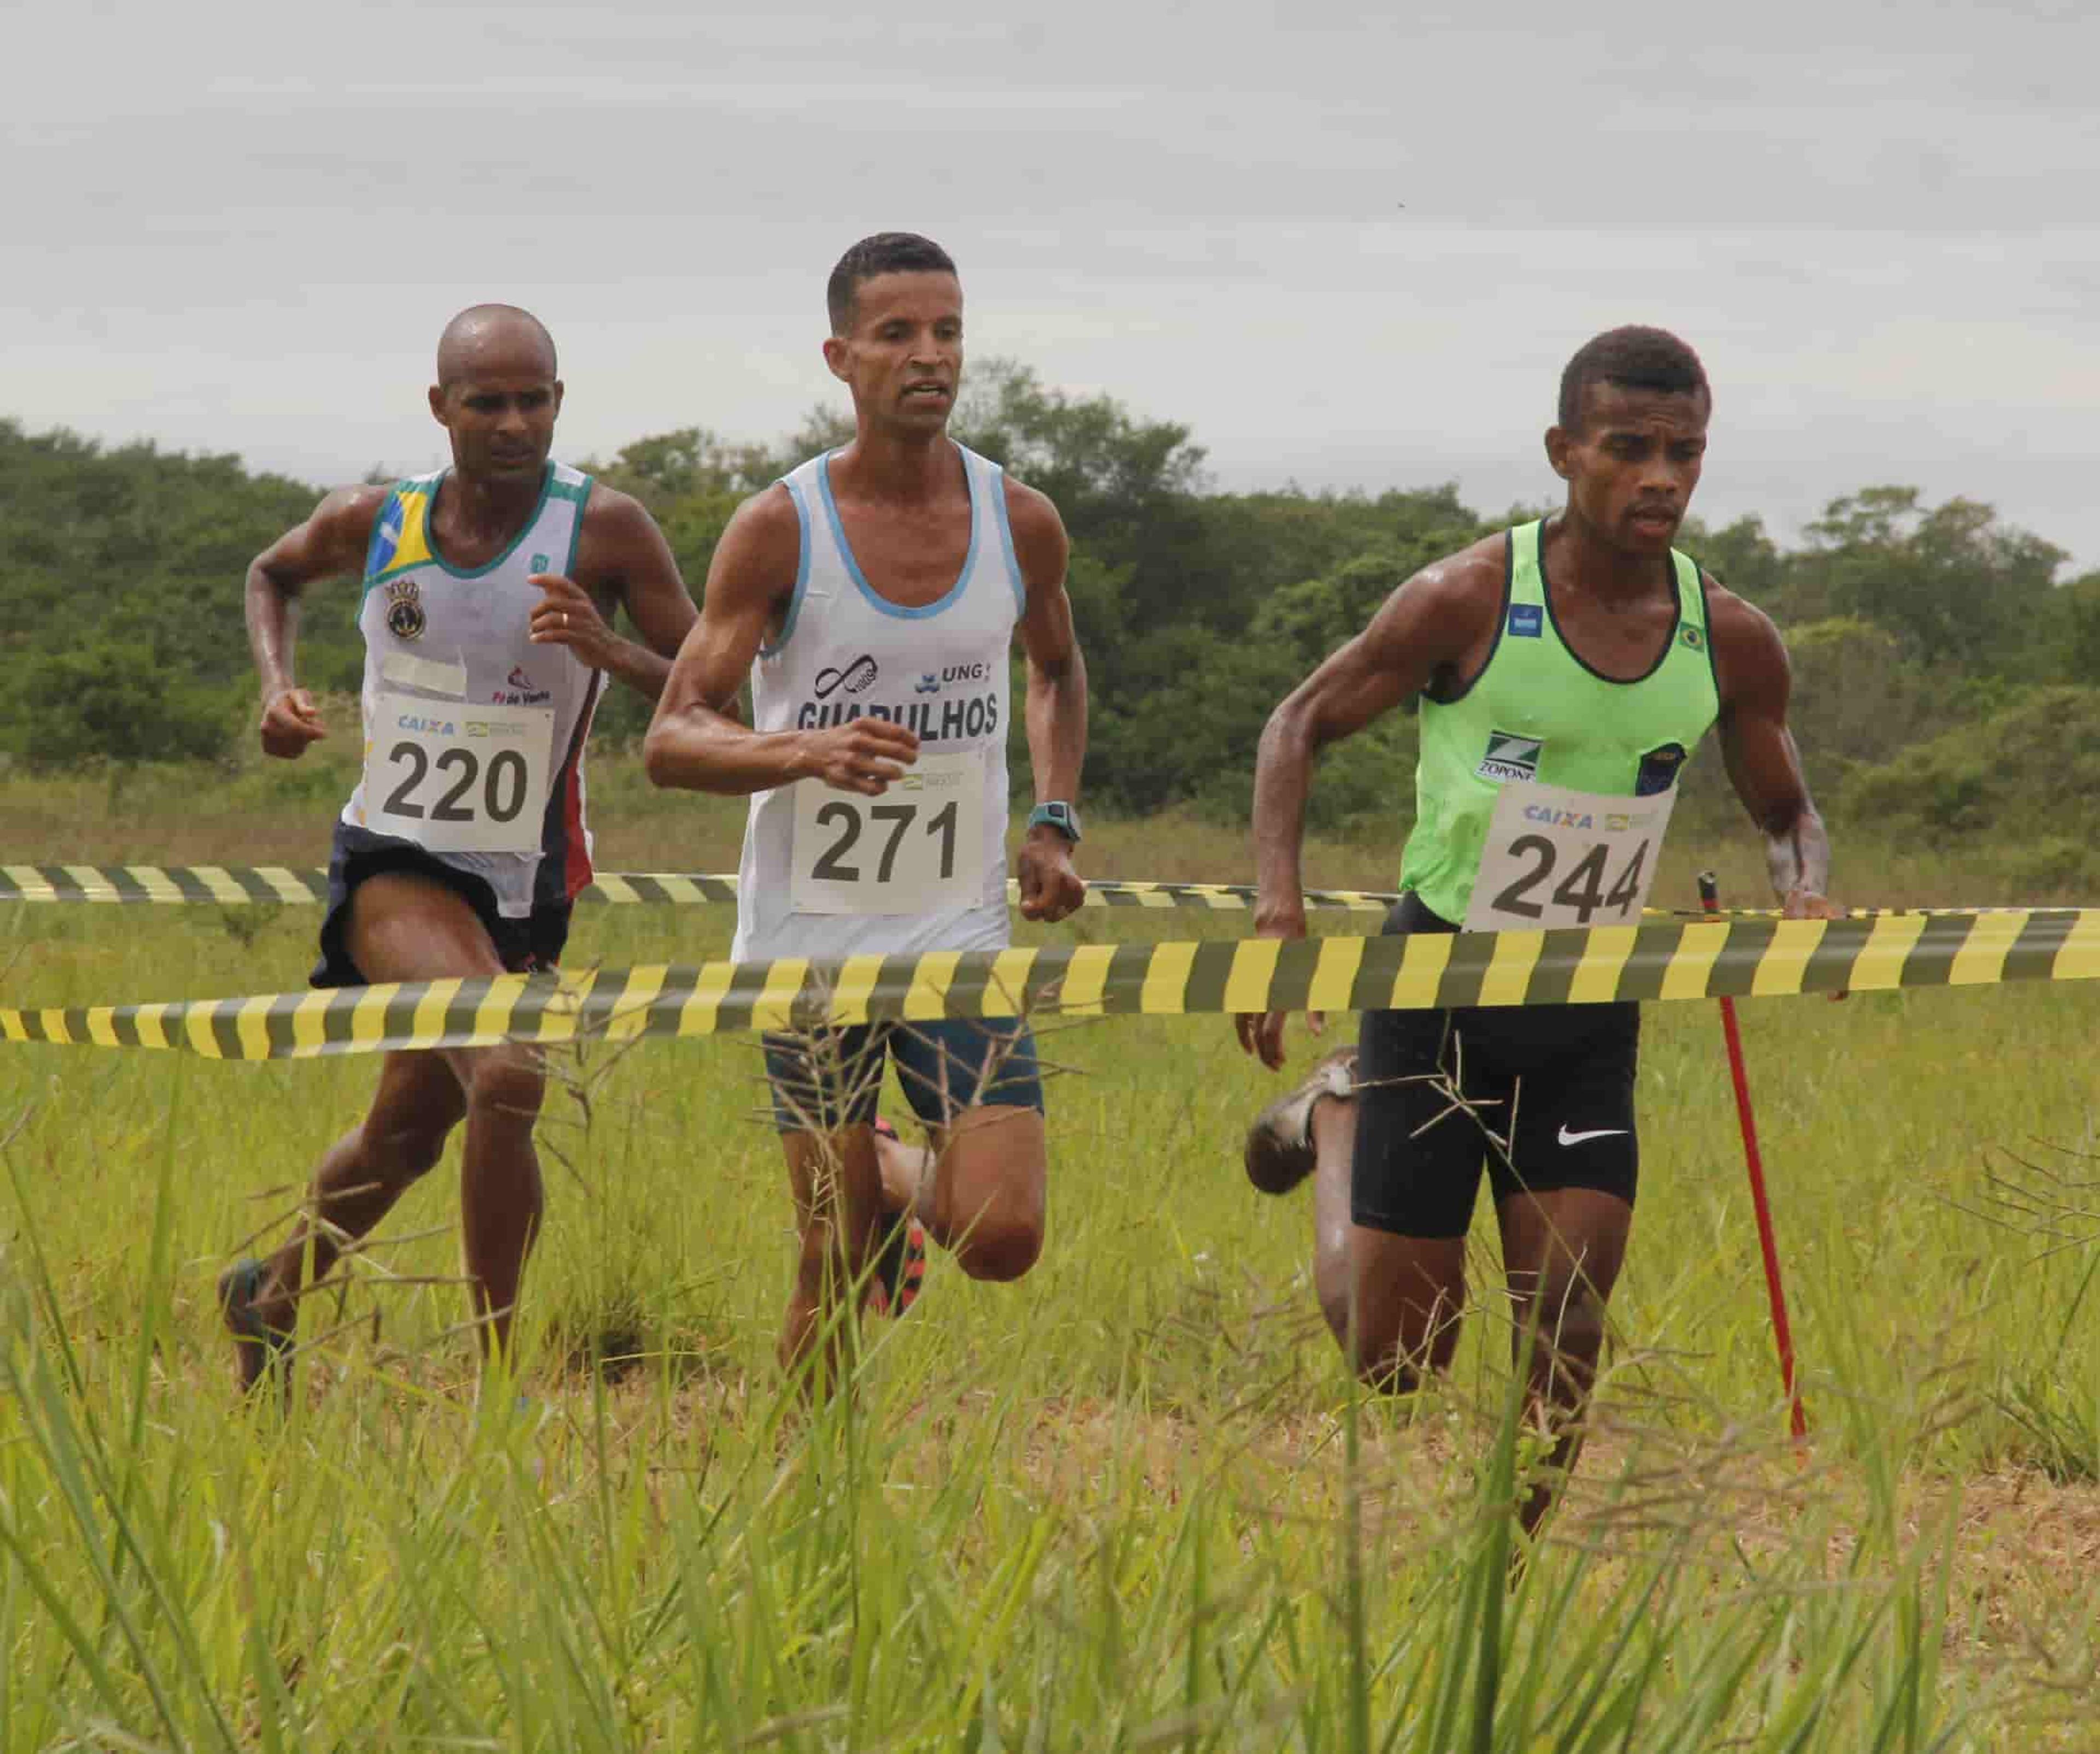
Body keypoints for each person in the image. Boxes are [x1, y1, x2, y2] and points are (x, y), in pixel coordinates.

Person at [1235, 326, 1840, 1530]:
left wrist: (1806, 895)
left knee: (1565, 1323)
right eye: (1629, 448)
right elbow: (1296, 724)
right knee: (1399, 1356)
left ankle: (1503, 1572)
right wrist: (1277, 907)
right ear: (1566, 452)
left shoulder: (1730, 634)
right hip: (1438, 984)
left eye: (1685, 452)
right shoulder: (1465, 595)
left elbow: (1788, 810)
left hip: (1584, 1006)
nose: (1660, 476)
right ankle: (1337, 1114)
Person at [219, 304, 699, 1395]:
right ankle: (501, 1388)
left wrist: (608, 646)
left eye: (535, 398)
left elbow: (709, 682)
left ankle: (271, 1290)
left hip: (526, 878)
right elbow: (271, 574)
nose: (515, 421)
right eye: (488, 401)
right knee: (513, 1066)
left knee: (408, 1134)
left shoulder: (606, 529)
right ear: (441, 407)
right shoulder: (374, 520)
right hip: (397, 857)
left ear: (560, 401)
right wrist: (275, 689)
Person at [644, 232, 1088, 1387]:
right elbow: (675, 732)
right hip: (810, 944)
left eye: (948, 332)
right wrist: (804, 748)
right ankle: (793, 1493)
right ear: (841, 356)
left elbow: (1056, 669)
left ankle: (892, 1167)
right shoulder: (781, 527)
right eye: (897, 334)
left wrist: (1056, 816)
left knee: (1001, 1237)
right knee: (832, 1254)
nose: (928, 356)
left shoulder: (1019, 518)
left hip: (956, 935)